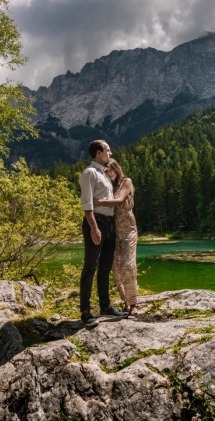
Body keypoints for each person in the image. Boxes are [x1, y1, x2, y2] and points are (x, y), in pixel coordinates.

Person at [79, 140, 127, 327]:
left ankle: (105, 306)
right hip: (96, 222)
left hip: (109, 223)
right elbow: (87, 203)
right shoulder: (89, 173)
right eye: (107, 150)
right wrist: (93, 227)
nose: (110, 153)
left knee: (105, 267)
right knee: (90, 266)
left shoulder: (104, 174)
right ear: (98, 153)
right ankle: (85, 311)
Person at [94, 159, 139, 320]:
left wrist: (98, 202)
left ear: (116, 169)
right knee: (116, 269)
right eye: (105, 172)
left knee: (127, 265)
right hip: (112, 232)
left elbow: (119, 200)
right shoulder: (107, 186)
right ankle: (126, 302)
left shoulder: (126, 182)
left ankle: (133, 304)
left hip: (128, 231)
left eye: (110, 170)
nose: (108, 173)